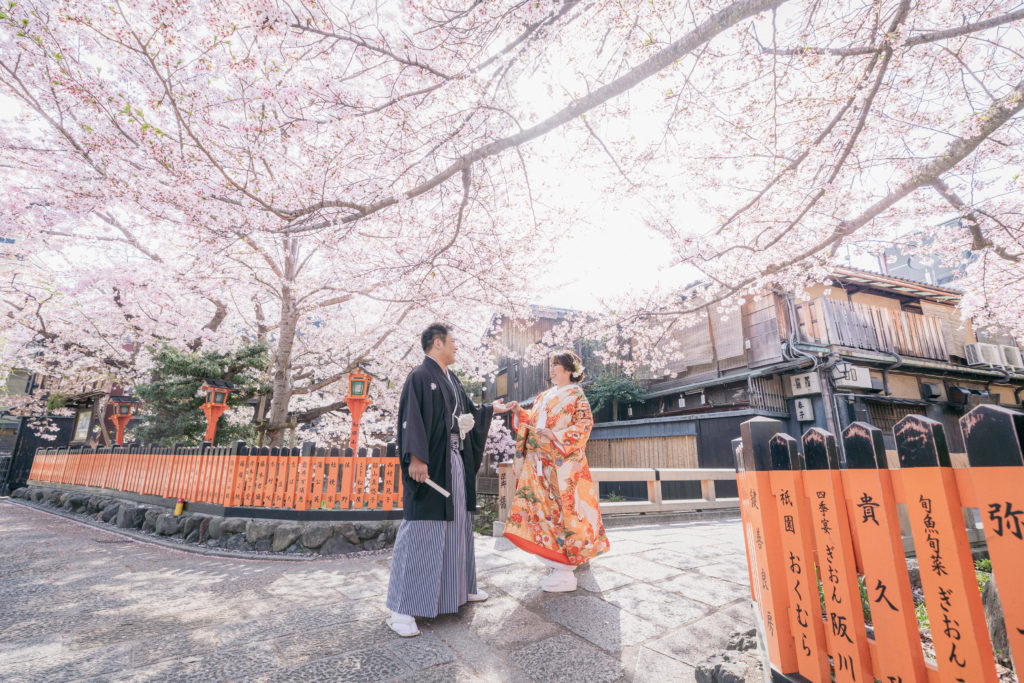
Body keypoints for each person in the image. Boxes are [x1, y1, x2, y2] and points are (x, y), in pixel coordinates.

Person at [386, 323, 513, 637]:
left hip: (454, 460)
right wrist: (416, 457)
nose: (457, 347)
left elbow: (468, 412)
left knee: (458, 526)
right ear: (437, 343)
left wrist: (492, 410)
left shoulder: (450, 378)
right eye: (453, 342)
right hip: (432, 463)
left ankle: (460, 589)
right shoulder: (419, 376)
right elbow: (410, 417)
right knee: (422, 529)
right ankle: (401, 608)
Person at [503, 350, 610, 592]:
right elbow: (534, 420)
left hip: (562, 466)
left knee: (565, 511)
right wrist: (521, 414)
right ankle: (558, 562)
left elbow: (584, 424)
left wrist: (555, 435)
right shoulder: (545, 395)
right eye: (551, 365)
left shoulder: (576, 395)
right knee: (542, 510)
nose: (551, 370)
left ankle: (566, 569)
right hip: (540, 464)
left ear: (570, 370)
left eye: (556, 365)